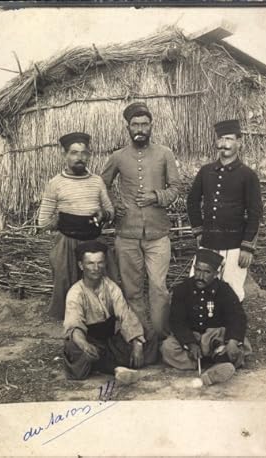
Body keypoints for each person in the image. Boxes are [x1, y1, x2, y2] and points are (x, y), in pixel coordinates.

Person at [101, 102, 179, 338]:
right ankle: (141, 338)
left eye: (145, 124)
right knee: (132, 290)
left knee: (158, 288)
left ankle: (160, 336)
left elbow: (176, 188)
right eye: (135, 124)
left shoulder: (165, 153)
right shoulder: (118, 157)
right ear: (127, 127)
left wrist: (157, 196)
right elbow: (101, 185)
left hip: (158, 234)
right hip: (126, 235)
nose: (140, 129)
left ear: (151, 126)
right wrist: (113, 206)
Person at [38, 132, 117, 321]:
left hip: (94, 241)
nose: (79, 158)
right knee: (67, 284)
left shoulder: (96, 181)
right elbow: (43, 221)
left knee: (102, 283)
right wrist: (65, 222)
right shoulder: (55, 183)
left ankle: (101, 323)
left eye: (83, 153)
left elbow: (110, 211)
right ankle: (72, 329)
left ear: (89, 155)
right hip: (68, 244)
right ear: (65, 155)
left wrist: (103, 215)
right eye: (74, 153)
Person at [187, 119, 263, 302]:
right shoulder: (206, 172)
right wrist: (198, 230)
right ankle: (203, 329)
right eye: (221, 140)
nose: (224, 145)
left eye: (229, 139)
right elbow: (192, 201)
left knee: (232, 293)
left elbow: (255, 212)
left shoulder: (248, 175)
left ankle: (229, 330)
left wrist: (247, 247)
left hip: (235, 245)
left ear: (239, 142)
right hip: (209, 242)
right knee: (199, 287)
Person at [63, 241, 158, 382]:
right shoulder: (75, 293)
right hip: (89, 339)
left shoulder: (110, 286)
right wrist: (85, 345)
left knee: (149, 334)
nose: (96, 268)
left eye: (100, 263)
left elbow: (125, 315)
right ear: (81, 266)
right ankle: (115, 368)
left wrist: (137, 344)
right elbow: (74, 326)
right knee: (75, 348)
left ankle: (104, 365)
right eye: (90, 263)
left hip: (109, 342)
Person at [160, 249, 252, 386]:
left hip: (215, 338)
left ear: (216, 274)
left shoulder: (224, 290)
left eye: (207, 272)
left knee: (241, 345)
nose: (200, 276)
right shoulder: (182, 289)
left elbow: (237, 317)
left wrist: (232, 341)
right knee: (167, 348)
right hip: (193, 338)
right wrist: (190, 342)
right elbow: (176, 321)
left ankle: (217, 360)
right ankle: (217, 362)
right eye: (197, 270)